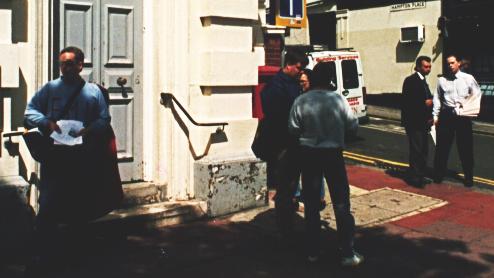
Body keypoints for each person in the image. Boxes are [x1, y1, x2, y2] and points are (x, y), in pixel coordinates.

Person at [24, 46, 112, 273]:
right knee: (49, 203)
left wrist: (88, 130)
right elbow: (29, 112)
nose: (66, 67)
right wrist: (46, 123)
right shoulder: (50, 88)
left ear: (80, 65)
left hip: (82, 156)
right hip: (55, 156)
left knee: (79, 204)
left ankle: (76, 255)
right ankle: (43, 255)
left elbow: (104, 120)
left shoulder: (93, 92)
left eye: (70, 63)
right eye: (63, 63)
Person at [288, 62, 363, 266]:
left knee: (311, 205)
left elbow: (293, 129)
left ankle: (313, 251)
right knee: (341, 203)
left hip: (309, 154)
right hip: (333, 154)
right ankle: (348, 252)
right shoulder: (338, 100)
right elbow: (353, 126)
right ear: (330, 79)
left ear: (312, 79)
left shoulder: (301, 101)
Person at [260, 51, 308, 239]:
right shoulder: (276, 86)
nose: (300, 71)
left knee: (290, 185)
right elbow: (277, 116)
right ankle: (285, 227)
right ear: (288, 64)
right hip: (283, 144)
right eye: (298, 67)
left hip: (293, 143)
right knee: (285, 186)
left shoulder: (291, 84)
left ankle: (287, 222)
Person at [433, 54, 481, 187]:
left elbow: (477, 94)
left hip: (463, 116)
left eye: (452, 63)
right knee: (442, 147)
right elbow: (437, 98)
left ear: (458, 63)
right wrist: (435, 116)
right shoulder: (442, 80)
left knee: (465, 147)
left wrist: (469, 108)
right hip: (447, 115)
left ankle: (469, 177)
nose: (450, 65)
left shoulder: (468, 78)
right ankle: (438, 174)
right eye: (448, 63)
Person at [294, 69, 326, 209]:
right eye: (299, 81)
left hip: (315, 142)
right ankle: (300, 196)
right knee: (300, 170)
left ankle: (318, 198)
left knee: (316, 173)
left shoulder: (306, 100)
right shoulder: (299, 97)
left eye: (303, 82)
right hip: (305, 141)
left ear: (310, 82)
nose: (301, 84)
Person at [401, 56, 433, 188]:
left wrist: (430, 117)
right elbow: (407, 102)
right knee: (417, 150)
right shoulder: (411, 81)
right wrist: (424, 103)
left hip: (423, 122)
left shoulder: (423, 81)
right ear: (418, 66)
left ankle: (420, 175)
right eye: (426, 67)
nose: (429, 69)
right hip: (414, 123)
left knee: (423, 150)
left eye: (430, 66)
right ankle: (415, 178)